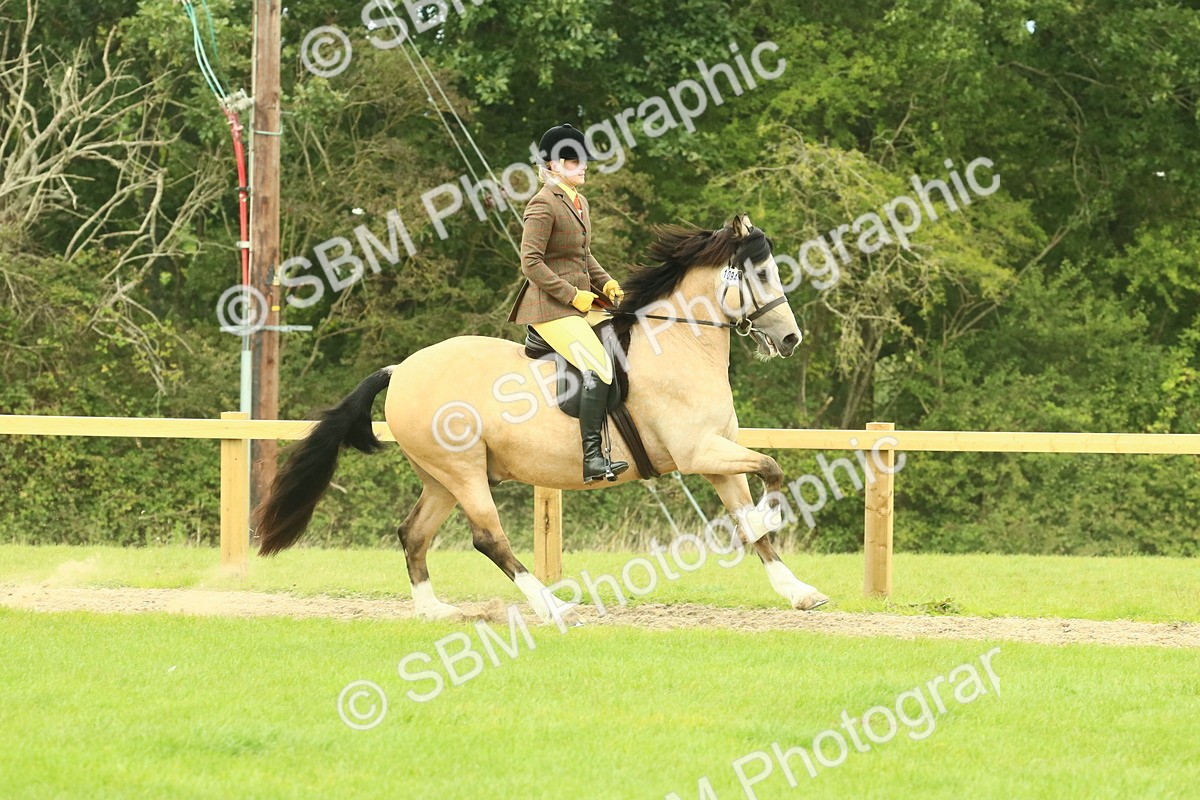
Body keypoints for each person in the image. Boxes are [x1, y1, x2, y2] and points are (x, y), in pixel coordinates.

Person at [507, 123, 629, 483]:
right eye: (575, 160)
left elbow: (583, 255)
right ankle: (592, 458)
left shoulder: (579, 201)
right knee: (600, 367)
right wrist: (572, 294)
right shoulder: (542, 204)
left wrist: (606, 281)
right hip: (550, 308)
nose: (584, 165)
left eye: (584, 159)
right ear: (553, 165)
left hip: (580, 304)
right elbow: (531, 263)